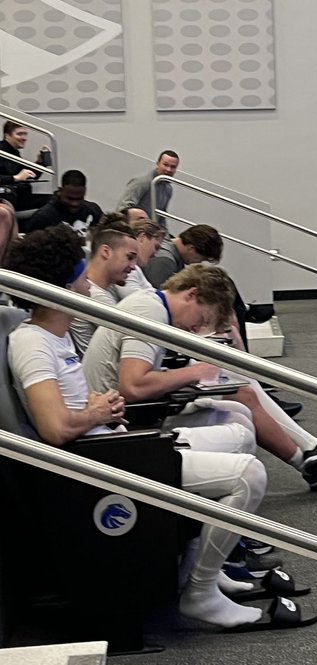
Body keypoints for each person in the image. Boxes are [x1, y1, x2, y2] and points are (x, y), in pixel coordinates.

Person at [5, 226, 289, 630]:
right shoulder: (33, 342)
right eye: (82, 274)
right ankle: (200, 592)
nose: (89, 281)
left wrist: (95, 406)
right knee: (249, 476)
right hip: (100, 463)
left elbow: (64, 406)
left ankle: (198, 572)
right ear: (63, 284)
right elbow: (53, 429)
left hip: (112, 445)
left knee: (242, 435)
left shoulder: (56, 336)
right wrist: (96, 413)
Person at [82, 263, 317, 490]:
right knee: (240, 416)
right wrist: (194, 372)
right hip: (123, 427)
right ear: (191, 294)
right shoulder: (150, 311)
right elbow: (132, 386)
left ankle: (308, 458)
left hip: (130, 415)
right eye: (202, 319)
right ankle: (300, 463)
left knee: (238, 401)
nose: (196, 329)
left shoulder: (153, 305)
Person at [70, 221, 139, 355]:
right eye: (129, 257)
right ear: (106, 252)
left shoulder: (106, 290)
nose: (133, 266)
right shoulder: (93, 295)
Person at [26, 169, 104, 235]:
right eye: (70, 198)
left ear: (85, 192)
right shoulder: (43, 217)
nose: (75, 203)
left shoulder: (94, 211)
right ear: (60, 191)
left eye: (79, 199)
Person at [144, 224, 223, 288]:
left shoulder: (169, 251)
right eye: (201, 259)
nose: (199, 262)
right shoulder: (165, 261)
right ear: (191, 248)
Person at [116, 150, 179, 225]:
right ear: (158, 164)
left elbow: (161, 217)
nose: (168, 169)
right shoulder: (142, 182)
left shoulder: (168, 190)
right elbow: (124, 207)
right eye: (165, 165)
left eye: (173, 167)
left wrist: (165, 236)